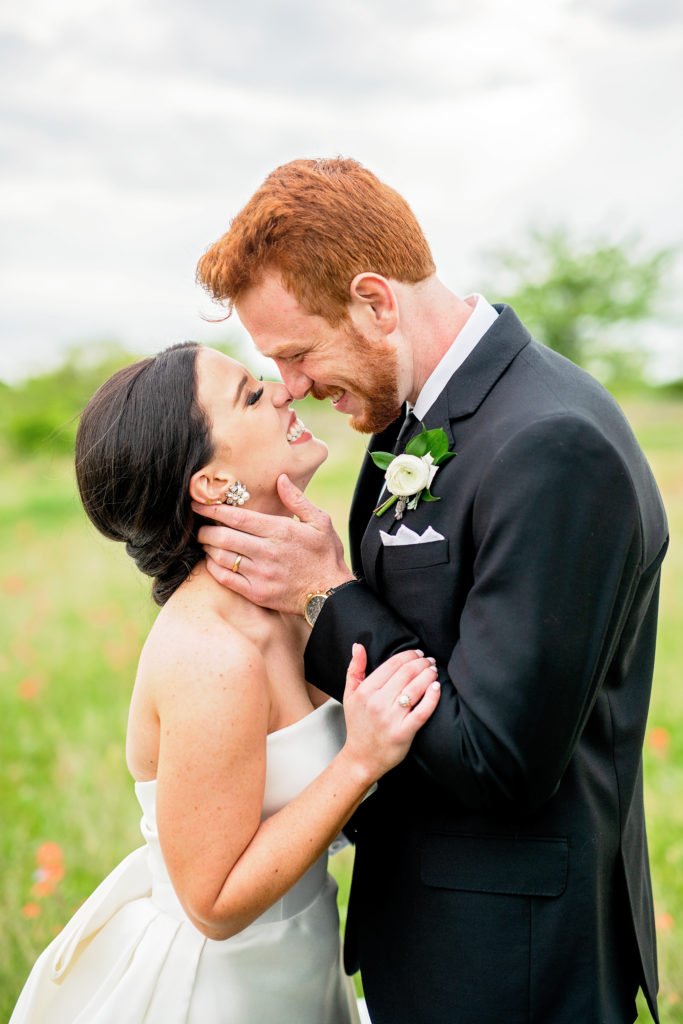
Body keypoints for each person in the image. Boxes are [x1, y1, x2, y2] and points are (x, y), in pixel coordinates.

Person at [193, 157, 668, 1024]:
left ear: (376, 301)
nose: (291, 385)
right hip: (435, 932)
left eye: (296, 353)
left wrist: (325, 593)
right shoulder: (416, 415)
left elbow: (500, 760)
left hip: (510, 960)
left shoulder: (551, 443)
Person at [9, 342, 441, 1024]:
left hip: (302, 963)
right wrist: (359, 760)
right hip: (222, 992)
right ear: (209, 485)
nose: (281, 390)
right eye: (248, 394)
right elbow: (211, 904)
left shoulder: (287, 602)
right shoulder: (212, 652)